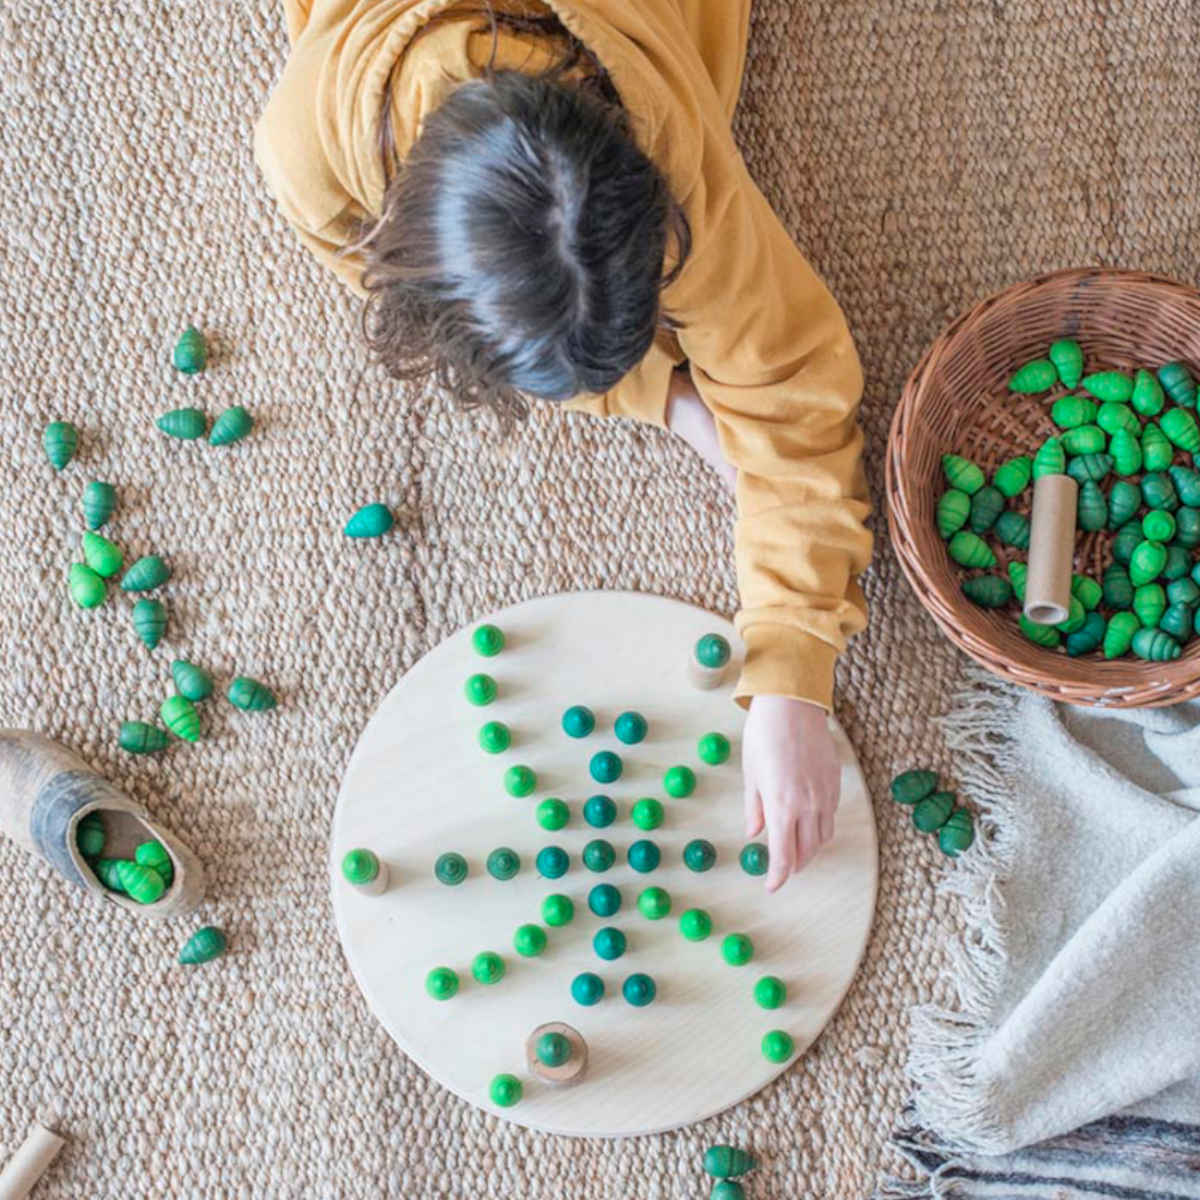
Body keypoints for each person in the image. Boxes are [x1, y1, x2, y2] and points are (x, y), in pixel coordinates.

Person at [255, 0, 873, 891]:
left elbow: (795, 397)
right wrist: (665, 396)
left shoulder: (677, 159)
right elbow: (385, 293)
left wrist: (791, 674)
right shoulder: (311, 150)